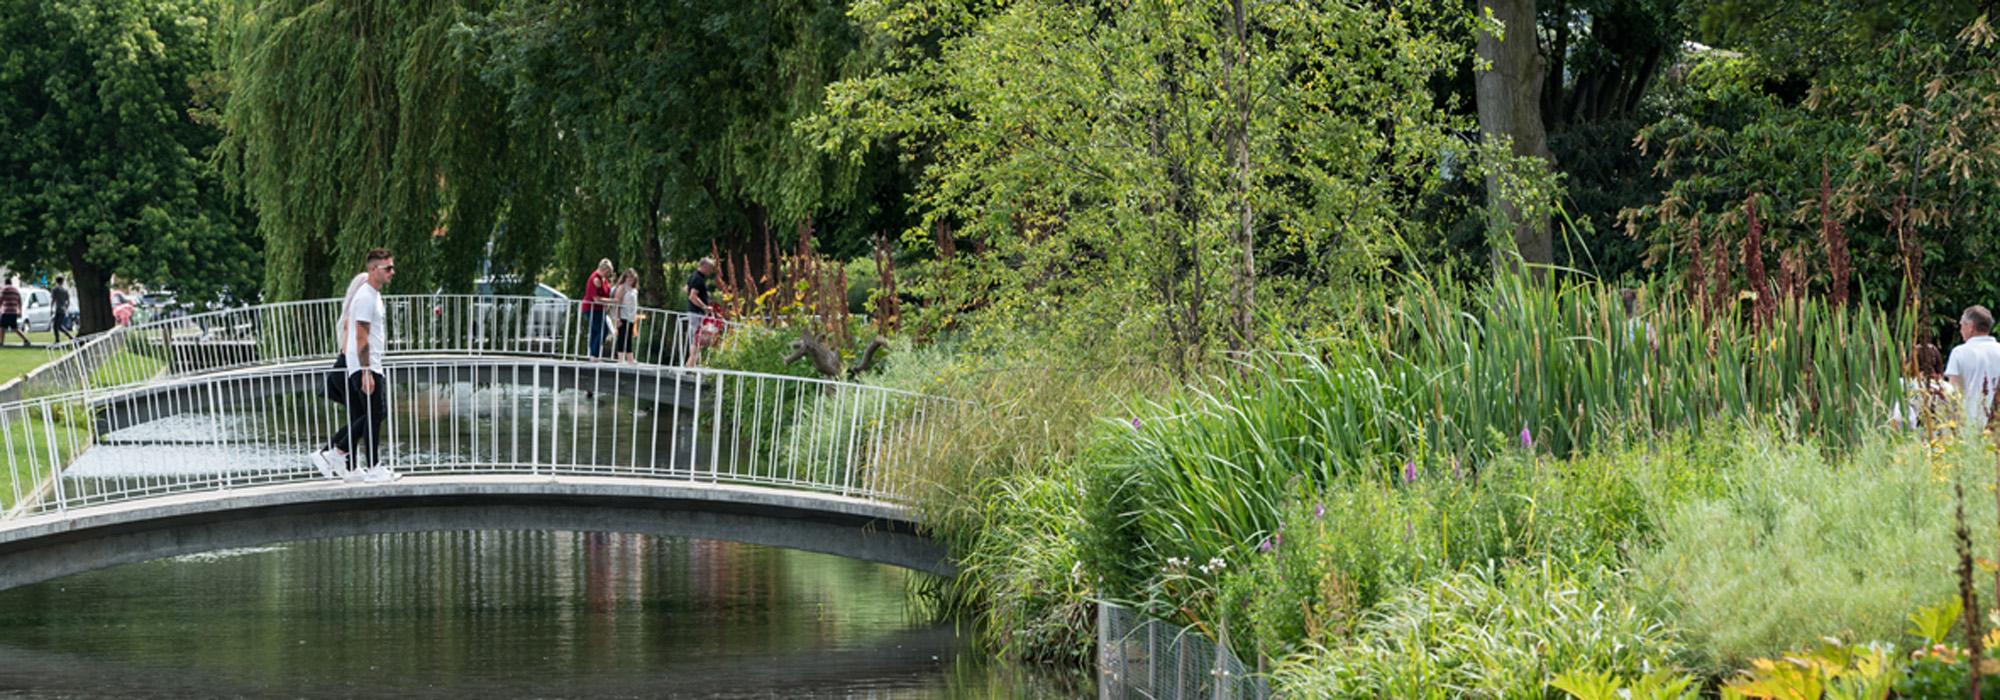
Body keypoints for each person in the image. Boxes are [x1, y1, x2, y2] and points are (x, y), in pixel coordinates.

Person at [311, 249, 399, 483]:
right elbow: (361, 336)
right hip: (365, 366)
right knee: (376, 412)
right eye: (387, 268)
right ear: (373, 269)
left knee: (372, 414)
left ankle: (346, 457)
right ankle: (344, 454)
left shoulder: (374, 296)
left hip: (370, 364)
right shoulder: (365, 297)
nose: (393, 272)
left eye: (392, 267)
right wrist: (366, 371)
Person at [1946, 305, 2000, 431]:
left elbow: (1954, 392)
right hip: (1997, 424)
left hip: (1969, 422)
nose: (1960, 330)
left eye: (1961, 325)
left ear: (1970, 327)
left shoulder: (1959, 352)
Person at [1894, 342, 1958, 432]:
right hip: (1944, 440)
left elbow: (1897, 417)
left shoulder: (1903, 385)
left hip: (1912, 439)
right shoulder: (1948, 388)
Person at [683, 257, 719, 367]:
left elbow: (686, 289)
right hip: (696, 313)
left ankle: (690, 364)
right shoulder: (698, 279)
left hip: (694, 312)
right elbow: (692, 296)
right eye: (710, 268)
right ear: (705, 267)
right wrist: (704, 307)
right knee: (697, 339)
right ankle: (689, 366)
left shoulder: (694, 276)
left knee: (697, 339)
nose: (711, 271)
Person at [582, 259, 615, 360]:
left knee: (596, 331)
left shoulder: (603, 279)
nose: (608, 275)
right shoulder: (595, 279)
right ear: (604, 270)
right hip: (592, 308)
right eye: (608, 272)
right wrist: (613, 301)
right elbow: (596, 299)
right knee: (603, 330)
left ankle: (592, 354)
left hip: (599, 310)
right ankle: (594, 354)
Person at [613, 268, 640, 363]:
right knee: (622, 336)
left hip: (631, 317)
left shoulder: (634, 290)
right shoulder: (622, 287)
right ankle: (620, 358)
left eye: (632, 278)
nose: (630, 280)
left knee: (628, 337)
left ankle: (630, 357)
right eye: (628, 278)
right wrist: (617, 318)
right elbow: (618, 303)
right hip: (623, 316)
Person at [0, 278, 30, 347]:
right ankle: (26, 340)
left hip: (6, 311)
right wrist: (20, 311)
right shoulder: (16, 290)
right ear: (11, 283)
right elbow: (20, 302)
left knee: (2, 327)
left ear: (5, 283)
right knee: (14, 327)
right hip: (14, 311)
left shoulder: (4, 290)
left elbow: (1, 300)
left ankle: (1, 342)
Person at [49, 276, 72, 342]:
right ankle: (61, 338)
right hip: (63, 309)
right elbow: (68, 301)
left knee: (56, 326)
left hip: (58, 309)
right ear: (62, 281)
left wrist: (51, 308)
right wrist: (66, 308)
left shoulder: (55, 289)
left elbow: (53, 299)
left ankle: (61, 338)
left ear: (56, 281)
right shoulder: (65, 290)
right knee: (58, 325)